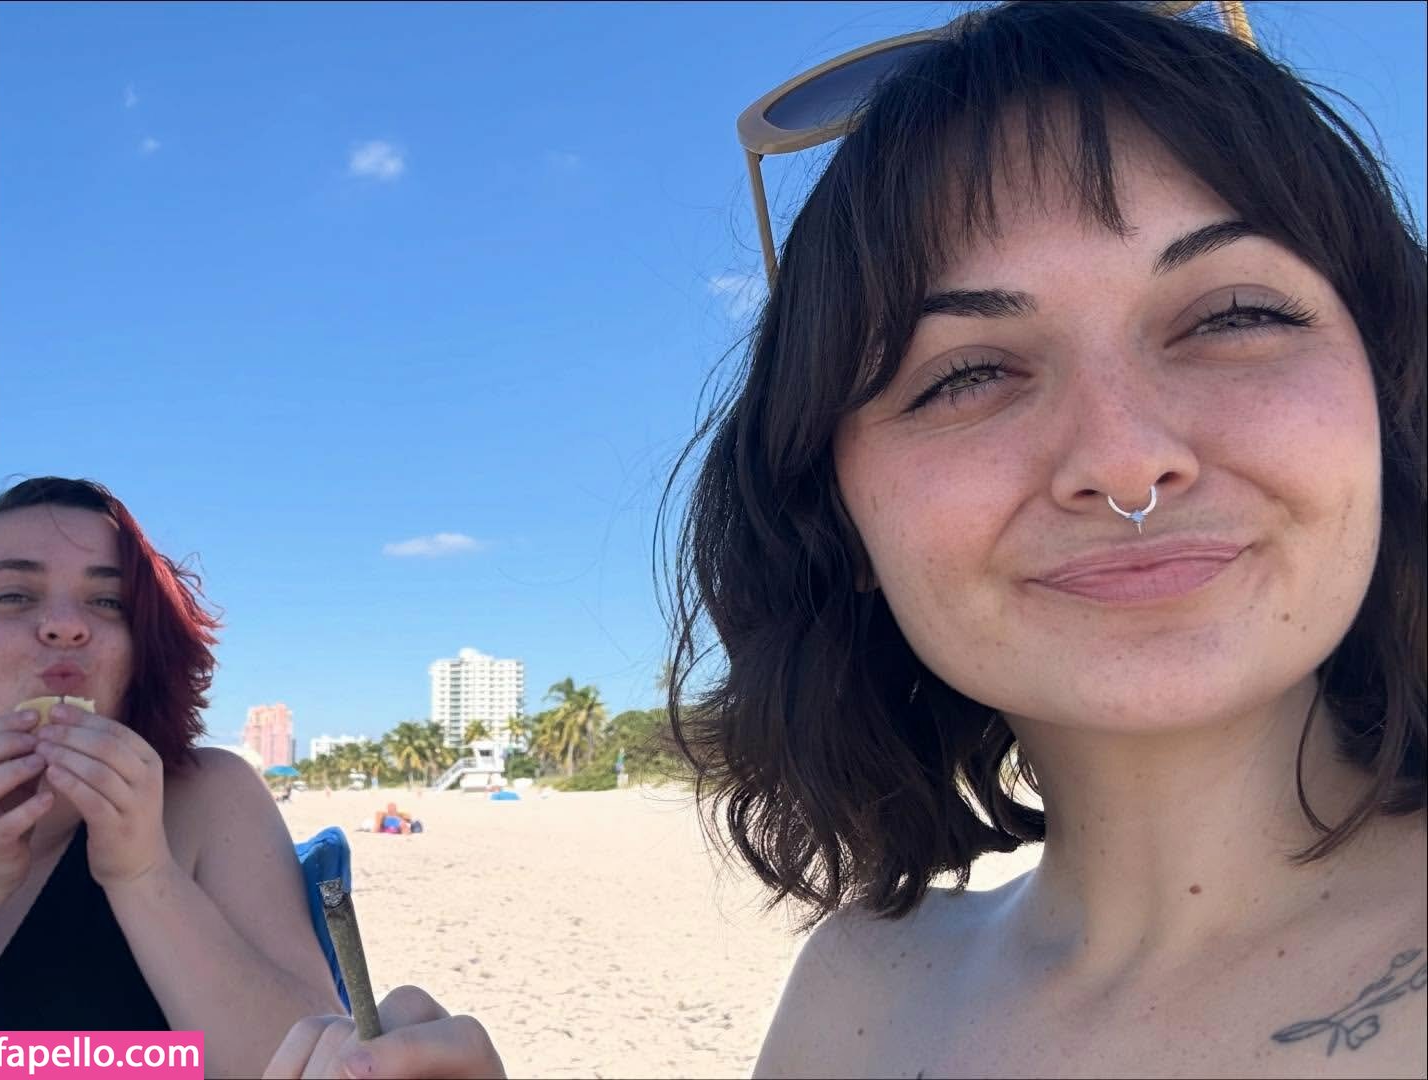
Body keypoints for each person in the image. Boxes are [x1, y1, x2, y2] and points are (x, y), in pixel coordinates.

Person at [265, 2, 1424, 1076]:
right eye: (968, 375)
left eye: (1234, 317)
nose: (1124, 459)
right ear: (842, 518)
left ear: (1387, 392)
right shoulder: (863, 982)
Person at [0, 477, 344, 1077]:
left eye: (109, 602)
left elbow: (317, 1063)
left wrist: (143, 874)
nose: (66, 626)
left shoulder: (206, 795)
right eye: (13, 595)